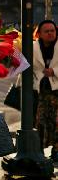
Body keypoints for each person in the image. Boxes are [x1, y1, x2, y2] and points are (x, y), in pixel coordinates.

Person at [33, 19, 58, 162]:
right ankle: (39, 150)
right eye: (46, 31)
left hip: (56, 89)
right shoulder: (33, 47)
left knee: (57, 122)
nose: (50, 33)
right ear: (39, 34)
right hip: (40, 90)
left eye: (52, 31)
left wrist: (54, 71)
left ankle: (56, 151)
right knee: (40, 122)